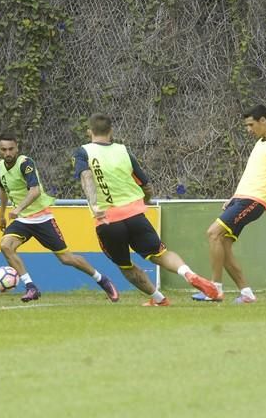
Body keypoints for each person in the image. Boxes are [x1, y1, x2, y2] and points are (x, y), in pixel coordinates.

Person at [74, 113, 219, 306]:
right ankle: (189, 274)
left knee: (126, 266)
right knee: (160, 254)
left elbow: (86, 178)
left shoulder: (83, 152)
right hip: (135, 216)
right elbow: (146, 186)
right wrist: (147, 201)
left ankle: (159, 299)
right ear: (111, 131)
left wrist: (94, 205)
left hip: (108, 220)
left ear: (89, 132)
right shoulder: (123, 151)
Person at [194, 104, 266, 304]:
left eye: (251, 125)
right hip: (242, 199)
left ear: (263, 120)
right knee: (224, 244)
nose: (248, 130)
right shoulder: (261, 142)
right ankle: (246, 294)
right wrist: (234, 197)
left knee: (213, 233)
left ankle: (214, 289)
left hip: (255, 201)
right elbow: (253, 175)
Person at [0, 133, 119, 302]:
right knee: (5, 246)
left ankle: (102, 280)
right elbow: (3, 189)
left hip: (42, 218)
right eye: (4, 149)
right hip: (22, 220)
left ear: (17, 148)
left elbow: (35, 191)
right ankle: (31, 287)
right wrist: (1, 214)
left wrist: (18, 208)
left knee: (67, 258)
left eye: (11, 149)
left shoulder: (25, 164)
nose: (7, 153)